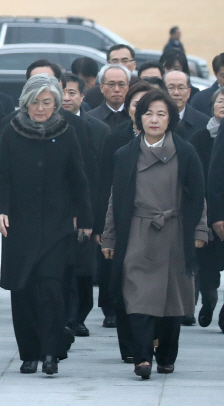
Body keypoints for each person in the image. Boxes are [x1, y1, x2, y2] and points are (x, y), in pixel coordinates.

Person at [0, 74, 92, 375]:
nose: (40, 108)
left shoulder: (67, 130)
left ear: (56, 104)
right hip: (18, 226)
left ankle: (51, 352)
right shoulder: (11, 130)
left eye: (47, 102)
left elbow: (78, 179)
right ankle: (29, 353)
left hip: (56, 226)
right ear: (25, 102)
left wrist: (85, 220)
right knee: (22, 289)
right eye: (35, 102)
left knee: (50, 288)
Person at [101, 90, 207, 379]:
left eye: (161, 113)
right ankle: (142, 357)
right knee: (136, 297)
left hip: (174, 232)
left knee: (171, 301)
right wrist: (109, 237)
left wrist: (199, 229)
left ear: (170, 118)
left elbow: (198, 195)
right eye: (148, 113)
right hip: (137, 231)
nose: (154, 119)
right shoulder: (125, 154)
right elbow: (116, 198)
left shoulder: (185, 152)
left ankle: (166, 354)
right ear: (139, 118)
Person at [94, 80, 153, 363]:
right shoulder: (115, 138)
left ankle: (153, 341)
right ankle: (130, 346)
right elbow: (104, 186)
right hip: (123, 222)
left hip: (159, 225)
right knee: (124, 284)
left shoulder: (176, 142)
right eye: (136, 105)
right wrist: (103, 229)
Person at [62, 73, 109, 336]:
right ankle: (66, 317)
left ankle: (79, 316)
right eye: (63, 92)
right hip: (58, 210)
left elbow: (101, 176)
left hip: (88, 208)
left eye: (72, 93)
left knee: (84, 268)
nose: (67, 98)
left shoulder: (99, 129)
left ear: (83, 96)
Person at [192, 89, 224, 331]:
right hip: (213, 208)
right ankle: (209, 298)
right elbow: (213, 176)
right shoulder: (202, 137)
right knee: (209, 262)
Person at [85, 45, 137, 109]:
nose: (120, 65)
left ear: (134, 65)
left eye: (125, 61)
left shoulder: (143, 90)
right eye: (115, 61)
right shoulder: (94, 94)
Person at [164, 71, 209, 141]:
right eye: (171, 88)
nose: (176, 93)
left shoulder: (204, 123)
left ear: (189, 92)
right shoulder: (154, 121)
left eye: (181, 88)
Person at [87, 64, 131, 130]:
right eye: (111, 84)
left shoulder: (135, 117)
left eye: (121, 84)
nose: (117, 89)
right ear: (102, 87)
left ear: (128, 87)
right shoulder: (89, 118)